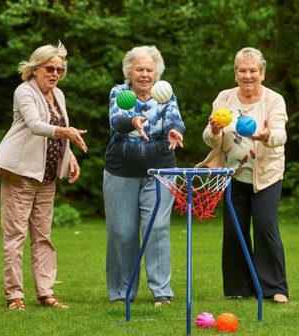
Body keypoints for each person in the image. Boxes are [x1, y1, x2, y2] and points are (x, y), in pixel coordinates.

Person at [0, 41, 88, 310]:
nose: (55, 74)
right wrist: (66, 133)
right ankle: (14, 296)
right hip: (20, 173)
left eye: (60, 69)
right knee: (15, 236)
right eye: (50, 68)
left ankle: (45, 293)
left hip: (46, 177)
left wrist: (70, 157)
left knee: (43, 237)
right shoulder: (24, 92)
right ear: (36, 68)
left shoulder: (59, 95)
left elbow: (59, 128)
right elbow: (35, 126)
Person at [197, 47, 289, 303]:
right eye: (242, 70)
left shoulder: (273, 100)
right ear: (235, 73)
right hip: (232, 175)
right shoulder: (224, 98)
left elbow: (281, 133)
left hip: (267, 177)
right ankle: (239, 288)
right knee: (234, 230)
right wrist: (214, 129)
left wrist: (266, 136)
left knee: (265, 228)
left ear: (263, 73)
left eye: (253, 70)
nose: (248, 75)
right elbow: (209, 139)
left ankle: (275, 289)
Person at [103, 45, 185, 307]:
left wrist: (174, 130)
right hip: (121, 171)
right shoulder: (120, 92)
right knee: (122, 232)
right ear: (129, 71)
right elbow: (117, 119)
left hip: (160, 171)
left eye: (150, 69)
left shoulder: (165, 94)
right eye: (139, 69)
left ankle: (161, 291)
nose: (145, 74)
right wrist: (133, 122)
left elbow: (174, 118)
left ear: (157, 72)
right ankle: (121, 293)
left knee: (157, 229)